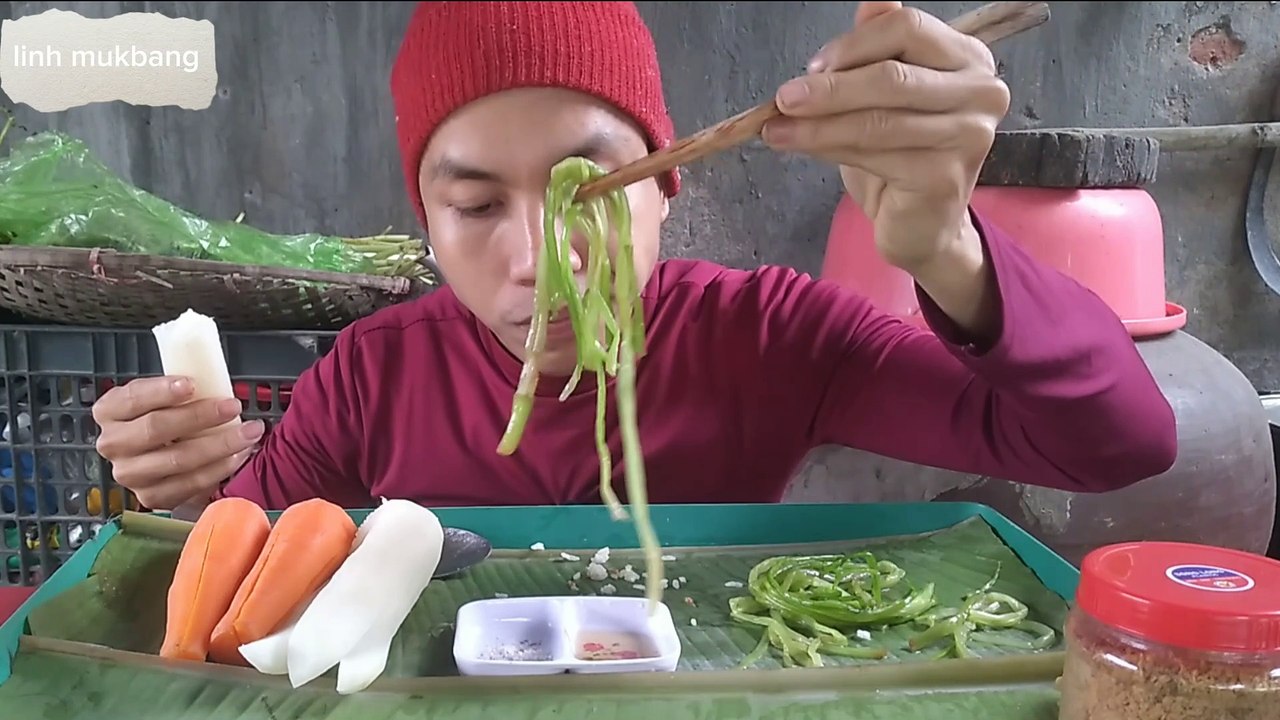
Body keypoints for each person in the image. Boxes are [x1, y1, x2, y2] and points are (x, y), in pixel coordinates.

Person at [92, 1, 1177, 513]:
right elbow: (232, 542)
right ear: (424, 224)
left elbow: (1118, 444)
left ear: (667, 184)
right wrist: (175, 485)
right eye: (473, 205)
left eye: (592, 191)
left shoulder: (770, 339)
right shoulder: (371, 378)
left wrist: (949, 251)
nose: (538, 264)